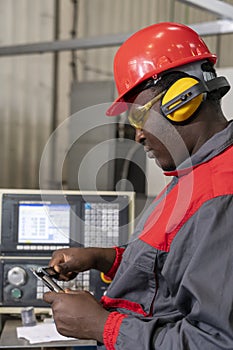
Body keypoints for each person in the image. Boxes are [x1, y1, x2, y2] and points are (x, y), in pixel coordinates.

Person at [43, 22, 233, 349]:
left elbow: (214, 342)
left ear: (182, 100)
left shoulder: (221, 196)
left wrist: (102, 326)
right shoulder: (194, 175)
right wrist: (104, 258)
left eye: (139, 117)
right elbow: (171, 275)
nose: (139, 135)